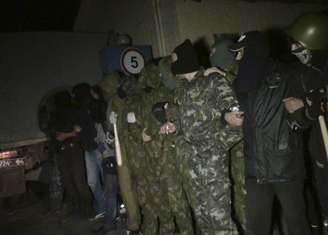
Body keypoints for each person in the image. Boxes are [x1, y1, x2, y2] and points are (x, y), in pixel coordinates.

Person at [229, 31, 311, 235]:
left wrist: (302, 112)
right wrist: (225, 118)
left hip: (285, 165)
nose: (237, 57)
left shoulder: (287, 74)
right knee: (256, 226)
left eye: (241, 52)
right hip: (255, 167)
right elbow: (230, 112)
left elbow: (307, 118)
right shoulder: (240, 83)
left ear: (253, 51)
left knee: (297, 223)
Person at [168, 39, 243, 235]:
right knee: (204, 223)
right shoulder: (182, 90)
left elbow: (238, 121)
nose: (172, 67)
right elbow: (186, 126)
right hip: (191, 169)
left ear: (184, 62)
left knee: (221, 224)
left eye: (175, 61)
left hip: (212, 169)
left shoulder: (214, 83)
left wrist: (215, 148)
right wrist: (174, 129)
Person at [283, 12, 328, 231]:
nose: (294, 50)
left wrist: (308, 105)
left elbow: (318, 104)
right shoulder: (303, 73)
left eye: (299, 45)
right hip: (318, 153)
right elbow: (300, 119)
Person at [209, 35, 246, 234]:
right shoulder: (227, 76)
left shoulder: (232, 78)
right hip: (233, 149)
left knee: (245, 201)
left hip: (243, 148)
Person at [52, 90, 92, 217]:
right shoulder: (57, 114)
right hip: (64, 150)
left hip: (73, 147)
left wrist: (65, 135)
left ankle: (87, 209)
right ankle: (79, 208)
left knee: (77, 180)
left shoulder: (75, 111)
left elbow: (81, 130)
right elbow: (53, 132)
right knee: (69, 180)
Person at [72, 83, 106, 220]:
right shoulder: (79, 109)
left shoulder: (94, 105)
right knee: (92, 181)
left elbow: (98, 123)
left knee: (106, 178)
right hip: (88, 149)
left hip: (99, 147)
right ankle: (102, 208)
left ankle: (112, 209)